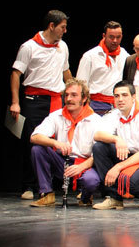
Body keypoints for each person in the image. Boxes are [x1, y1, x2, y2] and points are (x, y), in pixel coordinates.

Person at [10, 10, 72, 200]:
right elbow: (15, 74)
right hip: (34, 100)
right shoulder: (29, 47)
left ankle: (53, 185)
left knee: (59, 142)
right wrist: (15, 102)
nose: (65, 31)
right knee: (33, 141)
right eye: (62, 27)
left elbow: (66, 72)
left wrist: (74, 95)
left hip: (57, 100)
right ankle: (28, 185)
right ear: (51, 26)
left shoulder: (63, 46)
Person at [92, 81, 139, 210]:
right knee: (99, 147)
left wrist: (118, 167)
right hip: (132, 154)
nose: (120, 99)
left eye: (124, 95)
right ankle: (114, 197)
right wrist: (116, 139)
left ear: (134, 97)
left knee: (129, 181)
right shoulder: (116, 113)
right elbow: (97, 135)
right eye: (117, 96)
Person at [28, 78, 101, 207]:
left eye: (74, 95)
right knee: (38, 149)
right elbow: (34, 136)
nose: (68, 99)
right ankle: (47, 193)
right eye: (66, 95)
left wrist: (81, 167)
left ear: (84, 99)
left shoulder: (95, 120)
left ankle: (85, 197)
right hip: (63, 161)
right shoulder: (57, 116)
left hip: (85, 164)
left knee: (91, 181)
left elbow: (99, 154)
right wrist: (55, 143)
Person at [76, 21, 129, 115]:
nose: (115, 41)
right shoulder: (90, 56)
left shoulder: (124, 55)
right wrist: (83, 108)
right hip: (95, 106)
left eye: (118, 37)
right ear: (104, 36)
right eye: (111, 37)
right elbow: (81, 86)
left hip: (118, 105)